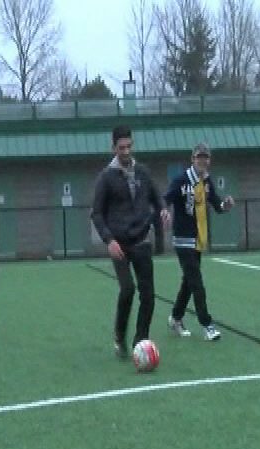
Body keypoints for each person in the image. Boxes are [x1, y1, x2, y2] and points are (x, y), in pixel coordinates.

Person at [91, 125, 170, 358]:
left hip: (142, 240)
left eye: (129, 146)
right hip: (119, 244)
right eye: (121, 147)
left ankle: (140, 341)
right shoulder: (106, 177)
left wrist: (164, 211)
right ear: (113, 147)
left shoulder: (143, 172)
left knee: (148, 293)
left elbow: (157, 199)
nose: (125, 151)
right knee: (127, 289)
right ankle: (119, 335)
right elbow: (96, 214)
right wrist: (109, 240)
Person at [164, 143, 234, 341]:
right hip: (183, 239)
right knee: (197, 282)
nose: (203, 161)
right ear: (192, 159)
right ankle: (207, 324)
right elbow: (166, 198)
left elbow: (217, 205)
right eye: (199, 157)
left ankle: (176, 317)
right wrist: (164, 211)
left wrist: (226, 205)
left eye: (206, 157)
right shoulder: (182, 180)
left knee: (188, 282)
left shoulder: (207, 181)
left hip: (198, 240)